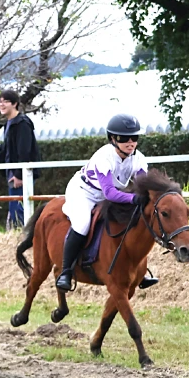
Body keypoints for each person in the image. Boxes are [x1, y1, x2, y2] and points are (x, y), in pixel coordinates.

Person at [56, 113, 158, 291]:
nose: (130, 142)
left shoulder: (139, 159)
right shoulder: (104, 157)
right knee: (82, 224)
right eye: (124, 138)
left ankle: (139, 272)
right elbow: (110, 193)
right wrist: (134, 198)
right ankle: (66, 272)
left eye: (134, 138)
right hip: (84, 192)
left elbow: (142, 185)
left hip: (109, 194)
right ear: (113, 139)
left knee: (132, 219)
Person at [0, 89, 39, 229]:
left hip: (20, 174)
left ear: (14, 104)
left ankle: (22, 234)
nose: (1, 104)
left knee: (19, 209)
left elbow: (24, 151)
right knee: (15, 207)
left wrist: (19, 175)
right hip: (11, 172)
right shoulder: (8, 124)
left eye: (5, 101)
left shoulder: (22, 123)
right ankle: (17, 233)